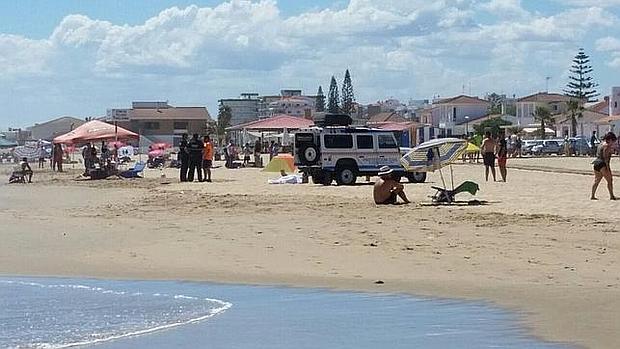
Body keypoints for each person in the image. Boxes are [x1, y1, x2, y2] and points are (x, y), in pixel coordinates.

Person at [591, 132, 617, 200]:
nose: (613, 142)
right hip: (602, 164)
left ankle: (592, 195)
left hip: (596, 163)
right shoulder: (607, 146)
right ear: (610, 139)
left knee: (597, 180)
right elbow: (606, 158)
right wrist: (608, 169)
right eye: (613, 141)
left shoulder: (600, 144)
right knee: (609, 180)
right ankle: (611, 196)